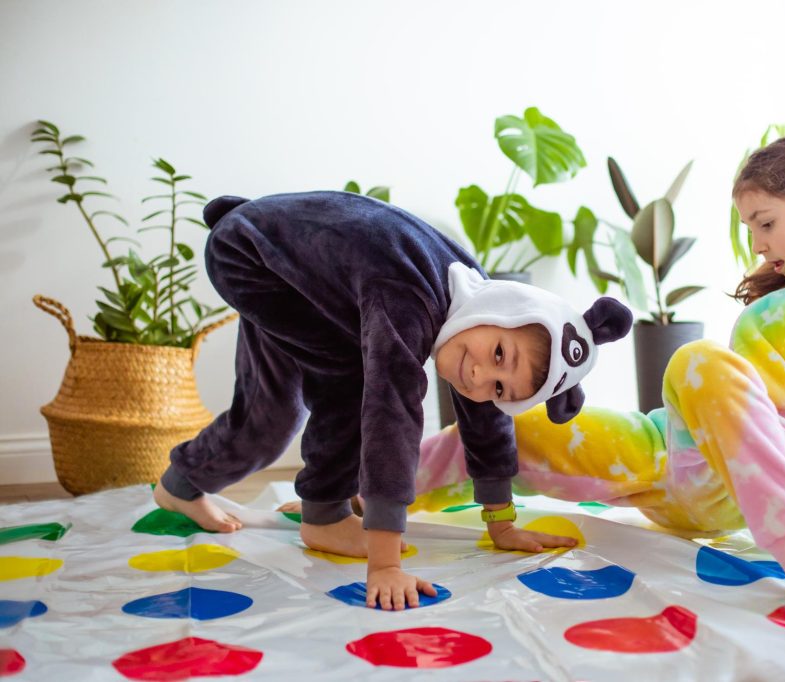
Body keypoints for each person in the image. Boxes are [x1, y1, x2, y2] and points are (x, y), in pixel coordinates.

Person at [412, 132, 785, 628]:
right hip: (674, 454)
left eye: (765, 224)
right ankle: (370, 491)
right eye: (751, 229)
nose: (757, 244)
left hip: (763, 463)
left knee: (695, 360)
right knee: (517, 430)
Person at [152, 190, 632, 610]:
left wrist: (501, 523)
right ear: (501, 312)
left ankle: (181, 484)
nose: (481, 377)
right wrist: (384, 563)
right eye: (499, 354)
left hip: (284, 258)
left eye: (502, 389)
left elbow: (485, 419)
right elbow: (392, 415)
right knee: (354, 379)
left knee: (270, 416)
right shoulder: (412, 301)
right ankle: (323, 515)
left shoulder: (477, 312)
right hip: (250, 254)